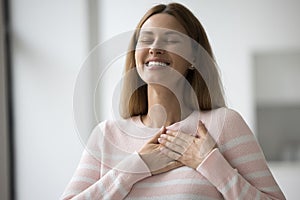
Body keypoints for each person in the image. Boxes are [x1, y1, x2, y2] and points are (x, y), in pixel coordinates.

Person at [61, 3, 285, 200]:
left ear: (194, 58)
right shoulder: (106, 136)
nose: (155, 48)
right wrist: (134, 167)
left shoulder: (224, 124)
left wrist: (211, 163)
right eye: (146, 39)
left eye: (171, 40)